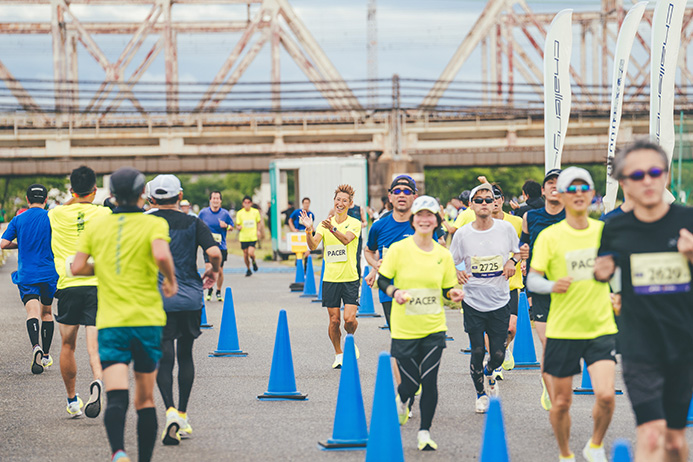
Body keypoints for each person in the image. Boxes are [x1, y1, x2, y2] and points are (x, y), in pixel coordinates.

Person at [594, 140, 693, 462]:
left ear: (665, 176)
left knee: (676, 441)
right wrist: (601, 272)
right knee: (651, 434)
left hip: (684, 343)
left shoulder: (688, 221)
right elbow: (604, 270)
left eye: (655, 172)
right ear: (623, 183)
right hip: (640, 345)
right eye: (637, 175)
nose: (648, 181)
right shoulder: (612, 227)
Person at [71, 167, 177, 462]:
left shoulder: (97, 227)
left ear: (113, 196)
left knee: (116, 396)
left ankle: (118, 452)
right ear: (143, 194)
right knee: (144, 398)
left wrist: (102, 267)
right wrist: (170, 279)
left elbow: (77, 268)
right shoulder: (152, 224)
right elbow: (160, 255)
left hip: (112, 323)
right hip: (146, 322)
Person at [527, 168, 618, 462]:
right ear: (562, 195)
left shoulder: (604, 232)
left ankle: (594, 445)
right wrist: (553, 285)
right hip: (563, 329)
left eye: (584, 188)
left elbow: (615, 273)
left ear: (592, 194)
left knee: (606, 396)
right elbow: (532, 280)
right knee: (562, 403)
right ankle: (565, 454)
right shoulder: (550, 236)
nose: (578, 193)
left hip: (600, 326)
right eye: (572, 188)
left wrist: (618, 293)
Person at [377, 195, 464, 451]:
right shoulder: (399, 250)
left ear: (437, 221)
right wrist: (395, 293)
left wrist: (453, 295)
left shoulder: (443, 255)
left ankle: (424, 432)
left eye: (430, 216)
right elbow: (383, 280)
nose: (425, 220)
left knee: (430, 381)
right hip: (404, 329)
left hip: (434, 328)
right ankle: (402, 399)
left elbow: (448, 288)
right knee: (411, 383)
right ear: (413, 221)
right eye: (420, 215)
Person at [147, 175, 222, 446]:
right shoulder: (194, 222)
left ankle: (169, 412)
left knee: (163, 357)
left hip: (158, 300)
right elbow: (214, 252)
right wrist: (211, 271)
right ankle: (182, 413)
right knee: (186, 355)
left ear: (151, 199)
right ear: (179, 197)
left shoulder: (146, 222)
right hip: (190, 297)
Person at [449, 183, 520, 414]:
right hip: (473, 300)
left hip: (499, 300)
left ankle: (490, 373)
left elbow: (517, 252)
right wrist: (458, 270)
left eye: (488, 200)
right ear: (471, 205)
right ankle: (480, 394)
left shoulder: (505, 229)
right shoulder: (463, 233)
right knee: (478, 351)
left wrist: (512, 262)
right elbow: (454, 259)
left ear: (494, 203)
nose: (484, 204)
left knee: (498, 354)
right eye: (478, 200)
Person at [48, 166, 111, 418]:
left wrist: (73, 196)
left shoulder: (55, 215)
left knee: (67, 345)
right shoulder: (105, 213)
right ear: (94, 190)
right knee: (95, 347)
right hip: (97, 284)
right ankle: (97, 380)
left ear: (72, 190)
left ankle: (73, 400)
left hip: (68, 285)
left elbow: (65, 205)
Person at [519, 168, 565, 410]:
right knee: (548, 342)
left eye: (560, 182)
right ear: (544, 189)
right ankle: (549, 386)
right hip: (540, 286)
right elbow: (523, 244)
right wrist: (522, 255)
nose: (555, 185)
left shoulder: (573, 216)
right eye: (550, 182)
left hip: (569, 289)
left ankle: (556, 378)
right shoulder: (531, 217)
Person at [1, 184, 58, 375]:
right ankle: (46, 355)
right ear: (46, 199)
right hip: (49, 273)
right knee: (47, 313)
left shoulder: (18, 219)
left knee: (32, 312)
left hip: (27, 274)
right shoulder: (52, 217)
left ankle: (35, 346)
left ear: (27, 200)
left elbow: (3, 243)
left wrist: (21, 244)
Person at [303, 184, 361, 369]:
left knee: (349, 320)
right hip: (330, 279)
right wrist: (308, 230)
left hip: (350, 278)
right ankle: (338, 354)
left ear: (350, 204)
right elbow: (313, 246)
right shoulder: (323, 224)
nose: (340, 203)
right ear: (334, 202)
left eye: (345, 200)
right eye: (338, 200)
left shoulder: (354, 223)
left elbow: (346, 240)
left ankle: (350, 338)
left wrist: (333, 229)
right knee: (334, 320)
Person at [364, 175, 419, 328]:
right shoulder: (379, 226)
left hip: (419, 291)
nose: (402, 195)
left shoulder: (423, 224)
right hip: (389, 291)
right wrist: (376, 266)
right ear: (390, 197)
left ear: (414, 197)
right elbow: (368, 250)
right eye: (397, 191)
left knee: (419, 340)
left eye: (407, 192)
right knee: (399, 337)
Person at [489, 184, 524, 375]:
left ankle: (505, 349)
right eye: (488, 198)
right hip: (488, 285)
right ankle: (495, 363)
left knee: (510, 328)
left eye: (496, 197)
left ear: (502, 199)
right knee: (491, 328)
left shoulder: (516, 222)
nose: (493, 201)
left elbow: (524, 244)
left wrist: (523, 260)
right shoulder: (480, 223)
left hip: (511, 284)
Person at [198, 191, 233, 301]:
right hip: (208, 246)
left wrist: (226, 226)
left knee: (219, 271)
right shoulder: (203, 213)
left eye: (218, 198)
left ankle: (218, 290)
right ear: (210, 200)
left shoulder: (225, 214)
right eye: (214, 198)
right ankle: (210, 289)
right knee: (209, 268)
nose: (215, 200)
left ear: (220, 201)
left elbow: (232, 227)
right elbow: (197, 225)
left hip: (221, 246)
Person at [236, 195, 264, 277]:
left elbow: (258, 222)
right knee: (245, 254)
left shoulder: (255, 212)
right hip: (243, 237)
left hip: (252, 236)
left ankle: (254, 261)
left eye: (249, 202)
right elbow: (237, 224)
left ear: (251, 203)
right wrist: (238, 227)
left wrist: (258, 231)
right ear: (243, 204)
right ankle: (248, 269)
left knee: (251, 253)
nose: (247, 204)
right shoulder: (239, 213)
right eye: (245, 203)